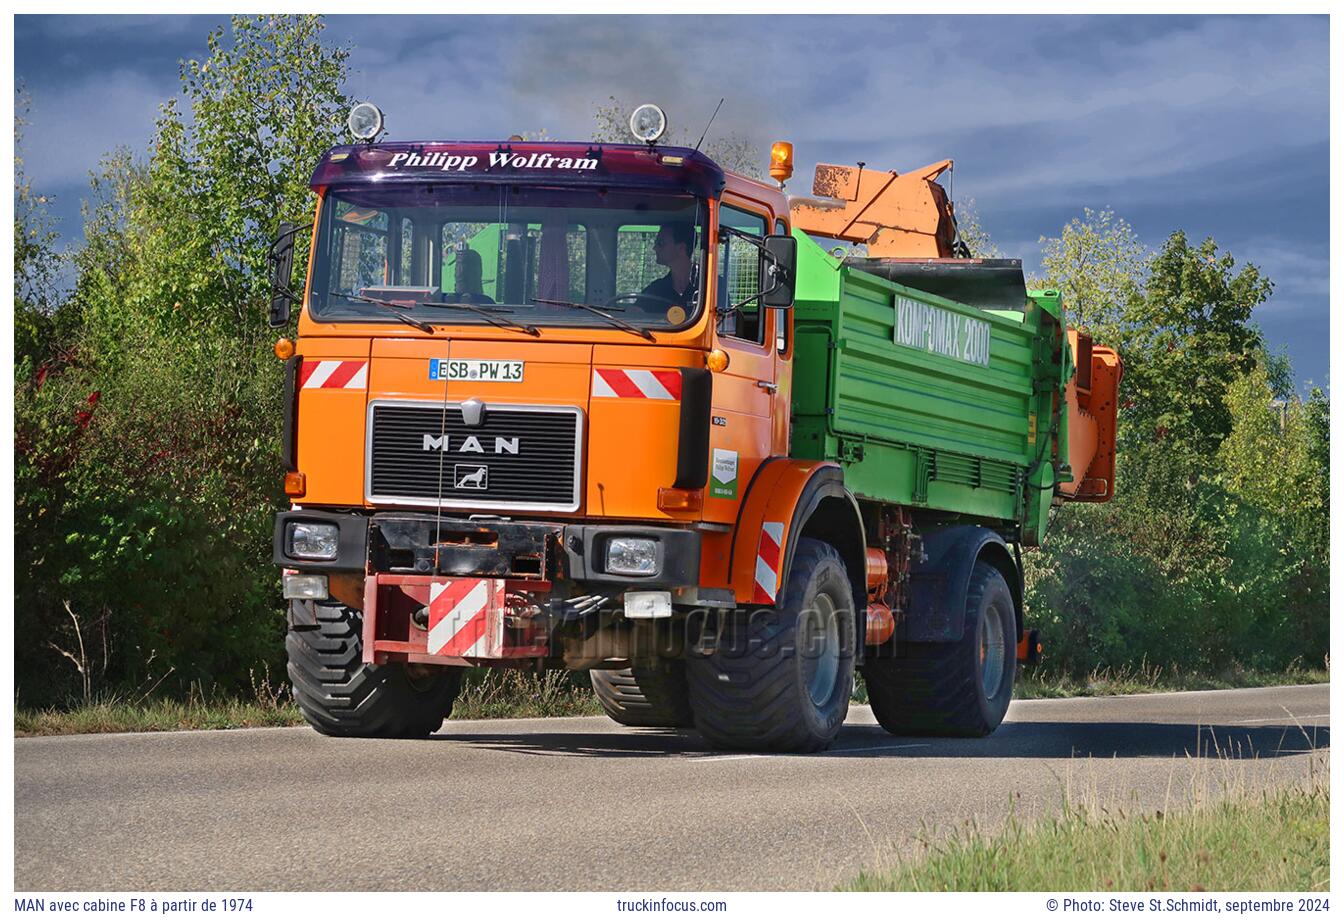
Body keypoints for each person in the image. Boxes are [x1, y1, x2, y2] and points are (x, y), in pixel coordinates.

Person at [640, 221, 696, 308]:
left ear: (681, 248)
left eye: (661, 243)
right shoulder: (655, 290)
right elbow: (634, 314)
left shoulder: (712, 287)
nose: (655, 248)